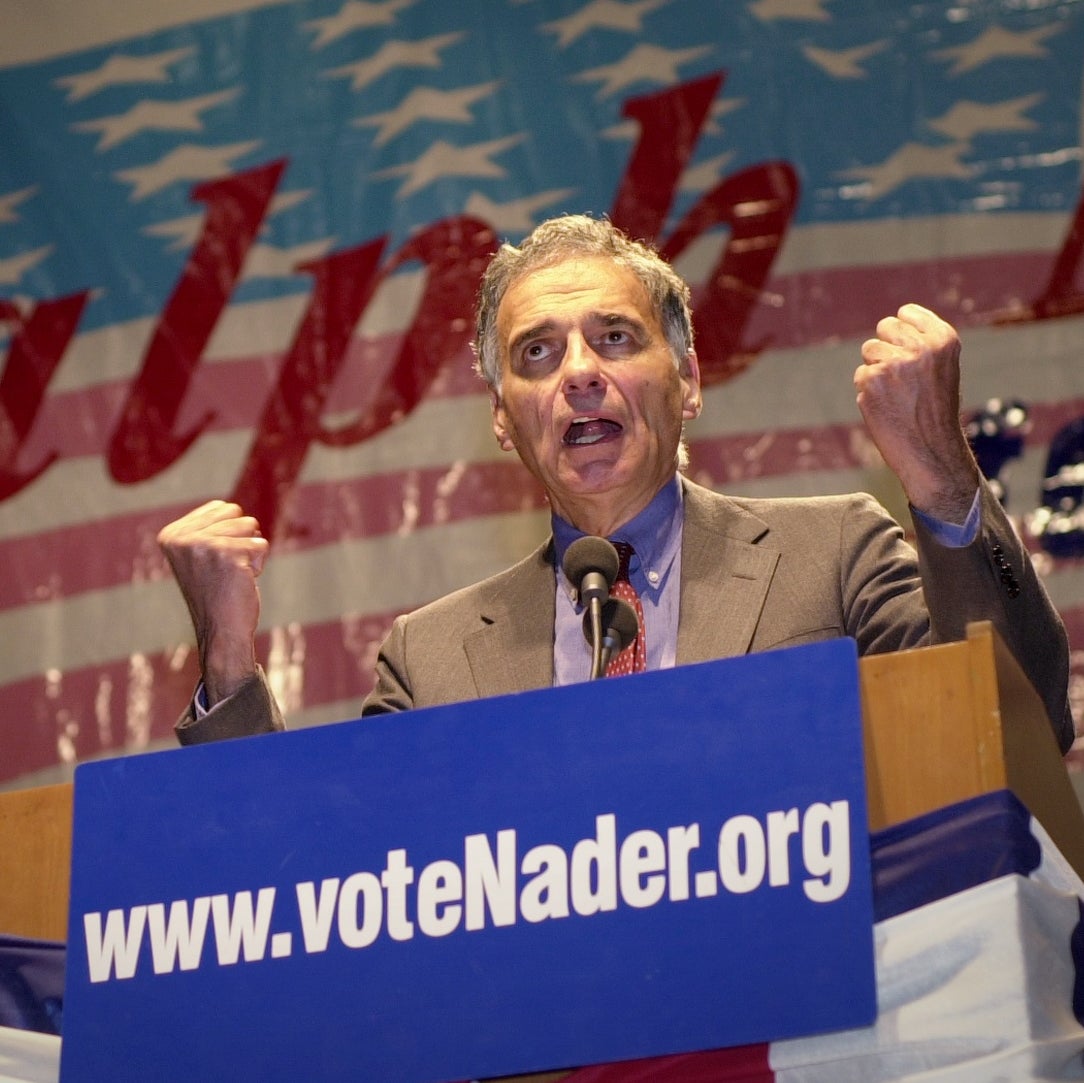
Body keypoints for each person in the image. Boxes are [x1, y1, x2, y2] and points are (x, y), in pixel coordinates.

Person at [158, 214, 1074, 752]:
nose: (579, 373)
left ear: (691, 379)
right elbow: (328, 889)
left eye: (616, 338)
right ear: (503, 417)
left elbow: (1018, 730)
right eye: (537, 354)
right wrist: (229, 671)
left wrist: (945, 483)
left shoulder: (834, 551)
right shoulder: (429, 661)